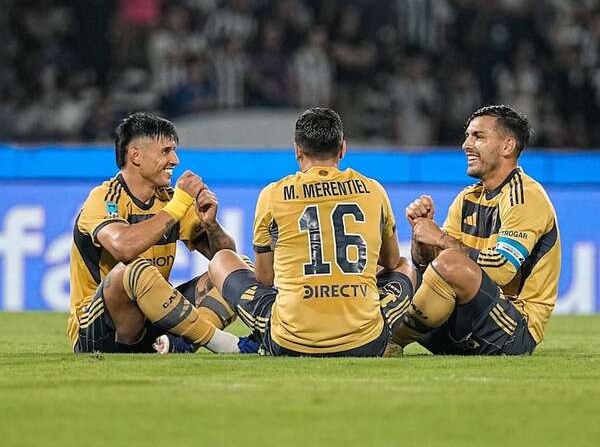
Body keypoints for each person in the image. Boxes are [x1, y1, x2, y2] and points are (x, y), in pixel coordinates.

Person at [208, 107, 416, 357]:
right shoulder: (373, 190)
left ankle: (247, 339)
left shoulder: (273, 195)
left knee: (222, 260)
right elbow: (391, 261)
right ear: (342, 149)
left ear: (297, 150)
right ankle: (384, 336)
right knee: (405, 266)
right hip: (365, 343)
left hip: (289, 343)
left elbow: (265, 279)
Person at [68, 111, 245, 354]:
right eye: (166, 151)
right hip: (100, 333)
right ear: (136, 155)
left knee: (235, 266)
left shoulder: (170, 200)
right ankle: (221, 342)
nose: (175, 160)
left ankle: (178, 344)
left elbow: (225, 257)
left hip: (153, 322)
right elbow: (124, 248)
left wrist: (211, 225)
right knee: (133, 269)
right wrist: (179, 204)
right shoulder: (104, 198)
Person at [393, 104, 561, 355]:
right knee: (396, 269)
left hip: (512, 330)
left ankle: (389, 340)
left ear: (507, 146)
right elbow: (432, 267)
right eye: (467, 135)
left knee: (451, 261)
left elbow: (502, 269)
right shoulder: (468, 198)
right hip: (464, 323)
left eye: (478, 136)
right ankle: (364, 333)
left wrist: (440, 237)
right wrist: (422, 235)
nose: (466, 144)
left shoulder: (525, 196)